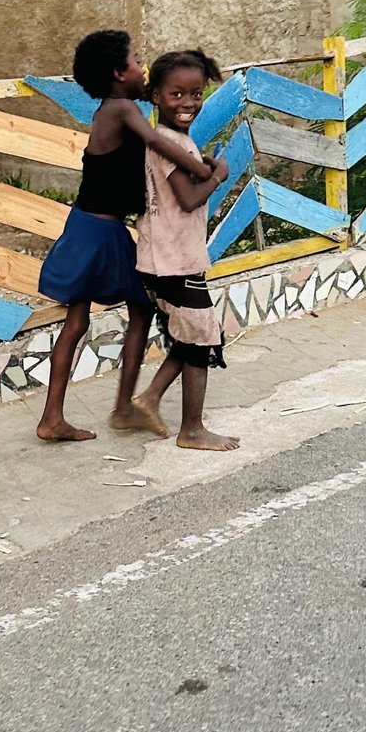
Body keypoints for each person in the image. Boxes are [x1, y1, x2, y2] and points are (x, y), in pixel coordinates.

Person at [35, 30, 217, 442]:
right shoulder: (120, 108)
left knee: (89, 318)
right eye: (137, 60)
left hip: (96, 226)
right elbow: (154, 140)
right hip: (97, 230)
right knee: (116, 313)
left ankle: (86, 413)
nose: (143, 67)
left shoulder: (116, 108)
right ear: (119, 73)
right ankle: (113, 410)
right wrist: (206, 171)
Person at [133, 50, 240, 452]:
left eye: (196, 94)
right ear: (155, 96)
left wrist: (204, 170)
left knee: (193, 335)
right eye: (176, 94)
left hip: (165, 258)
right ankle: (192, 430)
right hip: (173, 262)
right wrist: (220, 175)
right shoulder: (166, 142)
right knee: (201, 339)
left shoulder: (170, 139)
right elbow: (189, 198)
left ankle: (149, 398)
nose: (188, 102)